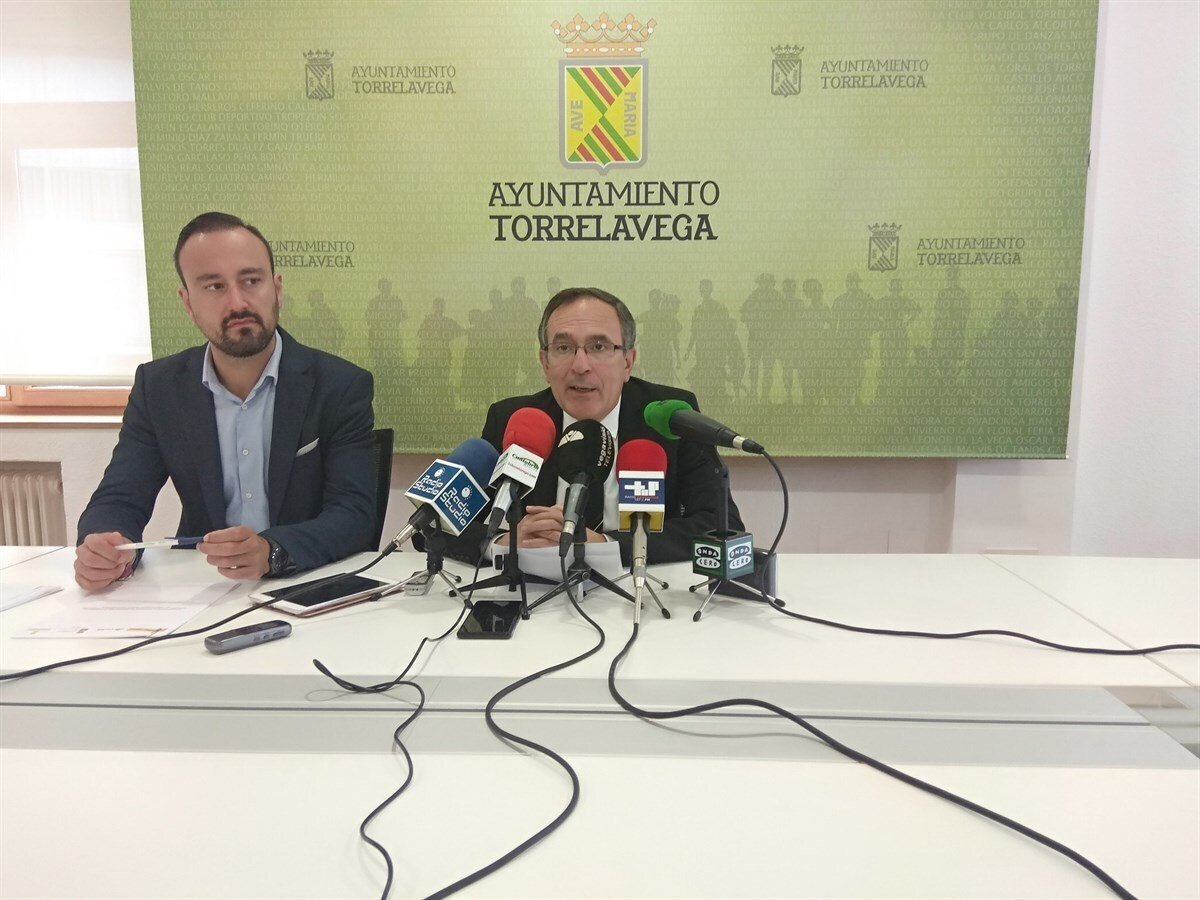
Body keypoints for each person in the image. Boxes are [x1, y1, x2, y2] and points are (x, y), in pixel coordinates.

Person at [74, 212, 377, 590]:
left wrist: (271, 550)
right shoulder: (159, 388)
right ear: (187, 302)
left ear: (277, 289)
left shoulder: (340, 386)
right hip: (204, 585)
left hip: (306, 582)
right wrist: (106, 548)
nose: (237, 302)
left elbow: (353, 515)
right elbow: (120, 498)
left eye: (251, 281)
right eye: (214, 286)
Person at [449, 286, 744, 565]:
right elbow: (436, 523)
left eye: (599, 346)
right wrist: (504, 542)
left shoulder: (669, 419)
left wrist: (604, 544)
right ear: (545, 362)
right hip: (533, 590)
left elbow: (721, 526)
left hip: (636, 589)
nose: (581, 366)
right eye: (563, 347)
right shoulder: (513, 420)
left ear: (627, 362)